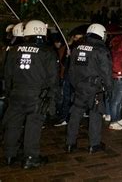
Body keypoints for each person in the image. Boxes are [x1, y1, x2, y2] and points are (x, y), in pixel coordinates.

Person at [3, 20, 58, 169]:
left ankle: (9, 155)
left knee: (13, 125)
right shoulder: (47, 52)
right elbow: (53, 80)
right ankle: (30, 157)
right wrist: (52, 100)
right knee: (32, 126)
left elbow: (7, 75)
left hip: (16, 92)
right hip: (37, 96)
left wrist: (9, 93)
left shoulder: (13, 50)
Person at [66, 23, 112, 153]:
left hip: (79, 87)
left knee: (75, 115)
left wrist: (76, 85)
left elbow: (71, 70)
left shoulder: (77, 48)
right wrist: (109, 89)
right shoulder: (101, 50)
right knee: (95, 115)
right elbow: (106, 72)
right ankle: (94, 144)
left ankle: (70, 143)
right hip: (95, 88)